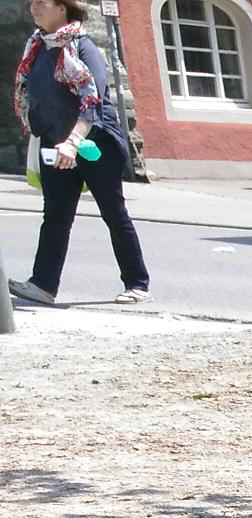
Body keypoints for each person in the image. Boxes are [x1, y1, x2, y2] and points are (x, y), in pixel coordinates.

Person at [7, 0, 149, 306]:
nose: (34, 8)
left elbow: (92, 101)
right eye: (32, 3)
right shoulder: (36, 48)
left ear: (62, 8)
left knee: (114, 213)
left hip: (94, 144)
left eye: (41, 3)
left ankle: (137, 283)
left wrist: (72, 142)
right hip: (55, 144)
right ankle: (43, 285)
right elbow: (37, 97)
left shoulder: (83, 48)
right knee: (56, 215)